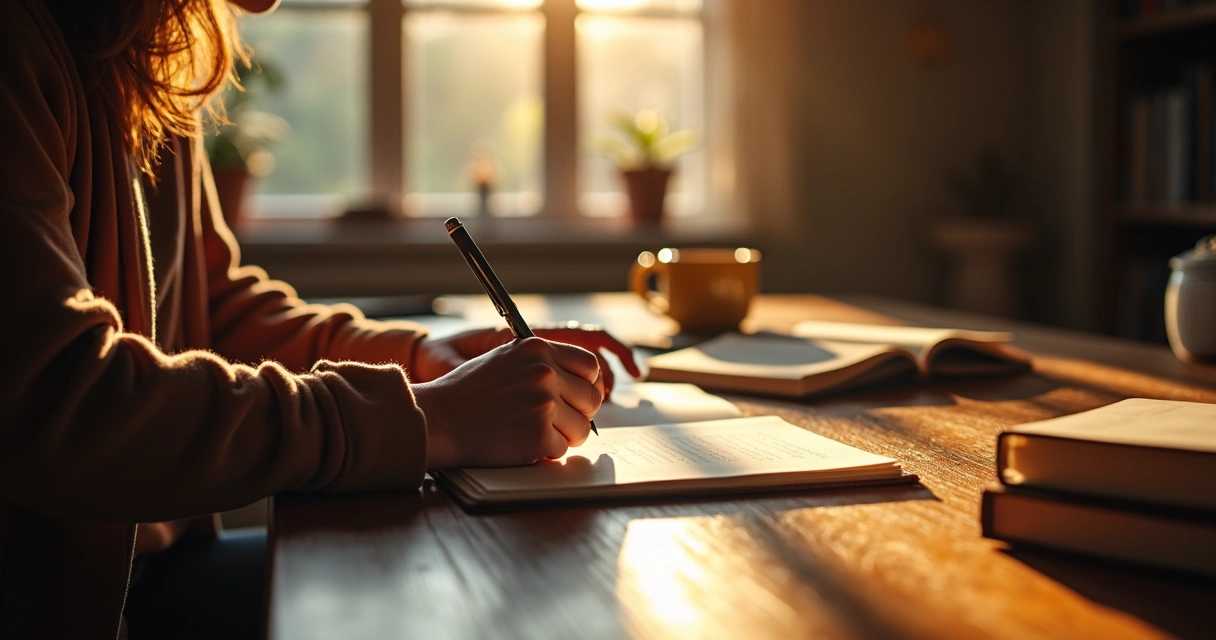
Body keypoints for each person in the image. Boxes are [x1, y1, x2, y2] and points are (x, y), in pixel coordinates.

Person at [0, 0, 641, 637]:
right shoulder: (19, 44)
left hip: (145, 574)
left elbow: (210, 308)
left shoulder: (145, 55)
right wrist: (430, 418)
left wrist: (419, 358)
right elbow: (61, 400)